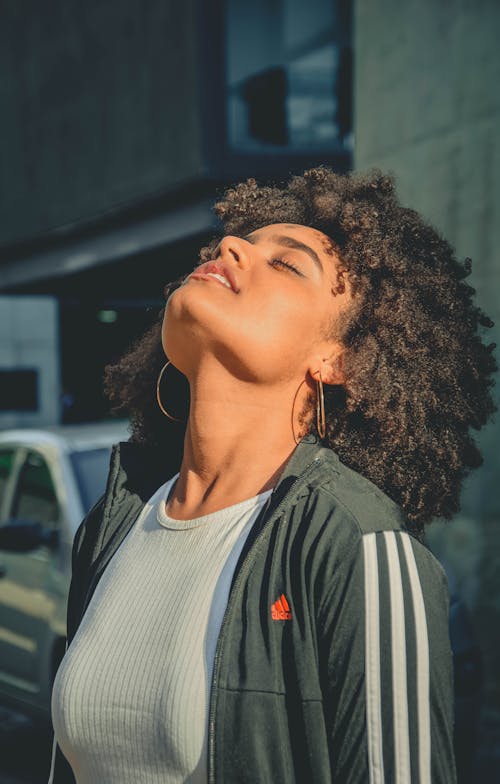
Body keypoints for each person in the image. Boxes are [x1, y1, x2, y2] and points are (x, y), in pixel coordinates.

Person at [49, 168, 497, 783]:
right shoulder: (114, 524)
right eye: (232, 245)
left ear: (337, 359)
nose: (228, 248)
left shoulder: (359, 544)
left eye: (287, 265)